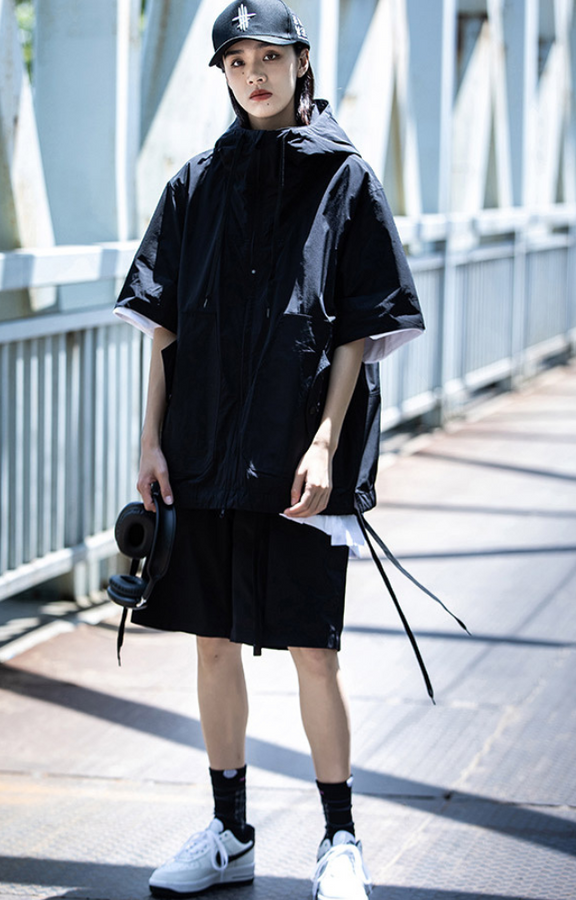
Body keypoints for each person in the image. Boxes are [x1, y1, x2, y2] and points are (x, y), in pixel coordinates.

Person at [114, 1, 425, 897]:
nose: (254, 74)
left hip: (299, 458)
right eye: (237, 60)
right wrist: (150, 442)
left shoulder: (346, 178)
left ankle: (340, 840)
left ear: (302, 63)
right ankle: (230, 831)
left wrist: (326, 443)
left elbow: (359, 330)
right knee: (211, 642)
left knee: (313, 650)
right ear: (223, 73)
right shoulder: (196, 182)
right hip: (202, 450)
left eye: (270, 57)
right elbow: (164, 327)